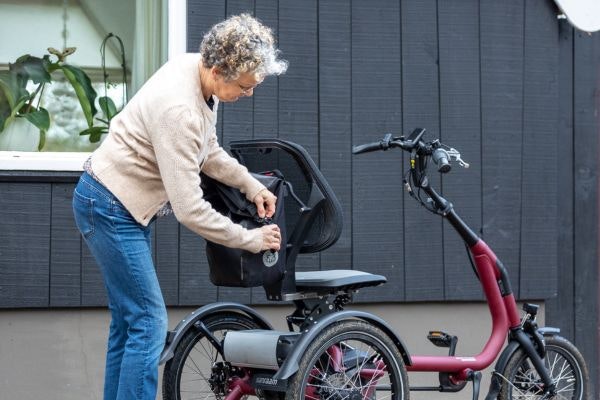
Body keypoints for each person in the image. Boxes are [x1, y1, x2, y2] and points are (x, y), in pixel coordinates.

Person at [72, 14, 287, 400]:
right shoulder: (180, 111)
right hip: (109, 207)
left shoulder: (195, 71)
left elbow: (207, 151)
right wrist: (250, 239)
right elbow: (190, 210)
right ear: (220, 69)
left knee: (129, 322)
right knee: (149, 323)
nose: (249, 94)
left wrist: (251, 184)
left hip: (112, 202)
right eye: (244, 86)